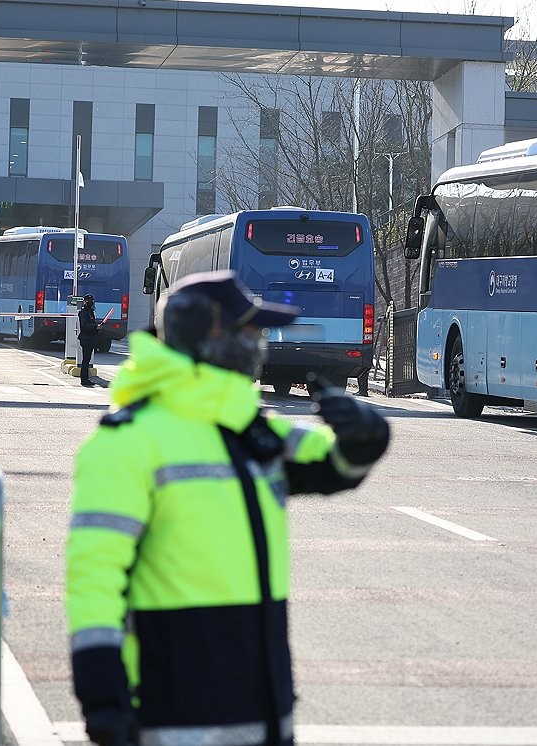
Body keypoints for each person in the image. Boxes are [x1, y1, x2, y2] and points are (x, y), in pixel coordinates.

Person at [65, 269, 390, 746]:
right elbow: (93, 578)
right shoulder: (128, 442)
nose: (260, 342)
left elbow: (331, 467)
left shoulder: (246, 428)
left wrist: (365, 435)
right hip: (173, 713)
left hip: (262, 707)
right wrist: (103, 697)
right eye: (250, 329)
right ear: (211, 333)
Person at [77, 293, 99, 387]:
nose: (90, 303)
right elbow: (85, 324)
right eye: (88, 301)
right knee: (85, 360)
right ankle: (84, 379)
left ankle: (86, 378)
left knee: (88, 359)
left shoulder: (91, 311)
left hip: (91, 338)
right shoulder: (83, 312)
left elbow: (91, 323)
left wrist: (97, 327)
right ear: (84, 302)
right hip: (86, 338)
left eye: (91, 301)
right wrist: (95, 326)